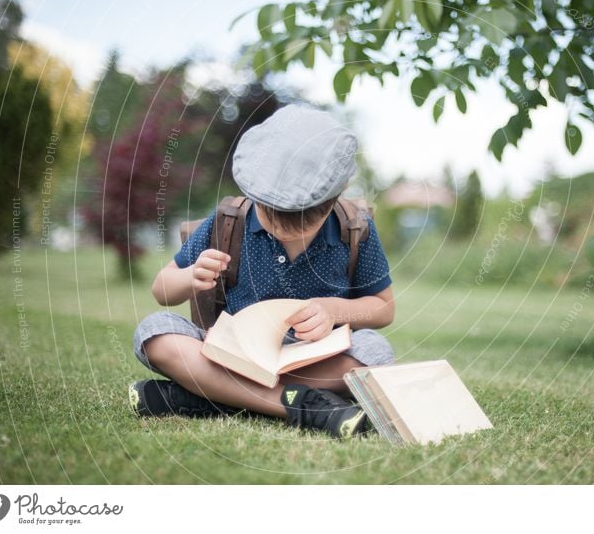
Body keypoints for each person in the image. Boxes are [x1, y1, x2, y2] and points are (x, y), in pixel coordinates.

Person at [128, 105, 396, 438]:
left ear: (333, 199)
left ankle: (213, 397)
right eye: (273, 221)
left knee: (376, 351)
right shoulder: (228, 221)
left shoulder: (355, 229)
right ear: (255, 195)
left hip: (312, 359)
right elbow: (161, 289)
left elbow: (384, 307)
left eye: (304, 226)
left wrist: (332, 309)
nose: (287, 236)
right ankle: (302, 405)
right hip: (230, 355)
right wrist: (191, 275)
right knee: (155, 333)